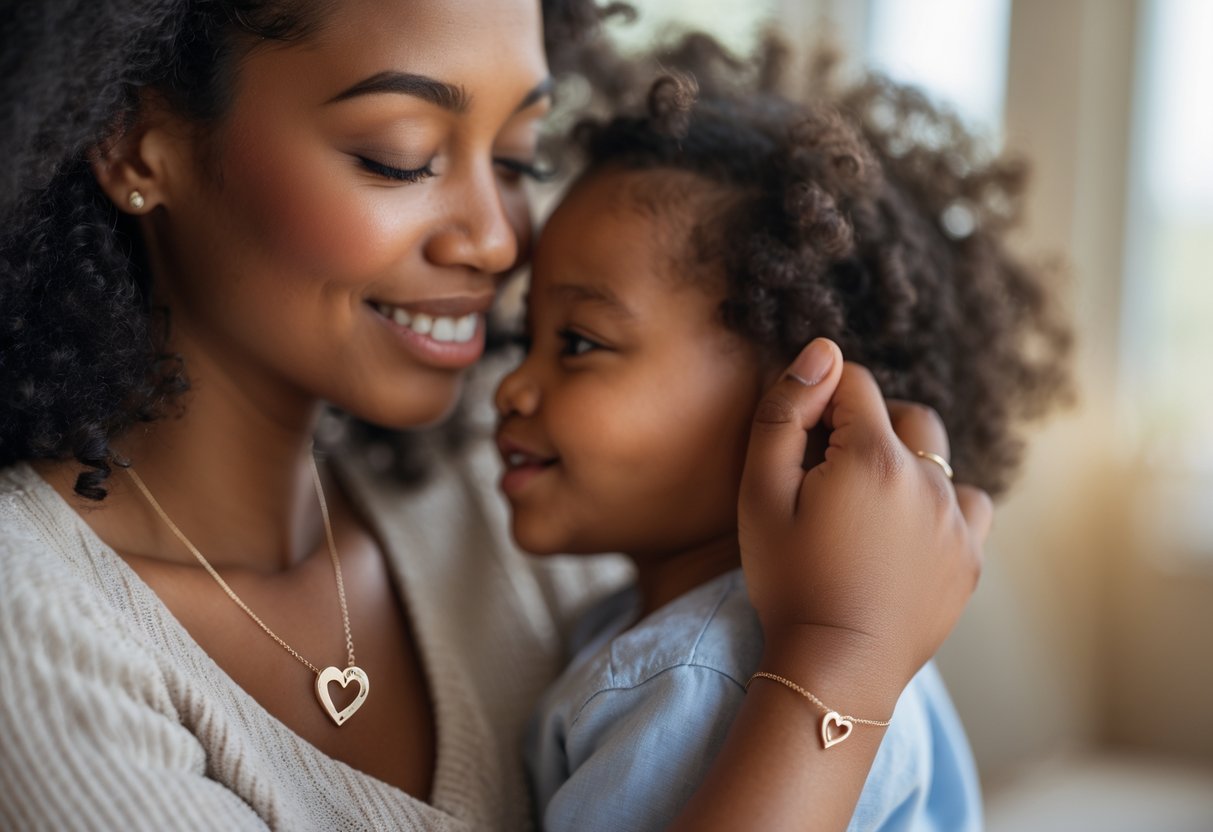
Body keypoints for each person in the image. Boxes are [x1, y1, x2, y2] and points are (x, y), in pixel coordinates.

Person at [0, 2, 992, 829]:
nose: (494, 240)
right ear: (141, 144)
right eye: (401, 154)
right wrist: (836, 672)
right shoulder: (39, 632)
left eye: (518, 159)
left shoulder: (505, 476)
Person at [495, 53, 1070, 832]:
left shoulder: (693, 677)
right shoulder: (650, 631)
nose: (510, 389)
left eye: (578, 343)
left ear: (803, 400)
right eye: (520, 337)